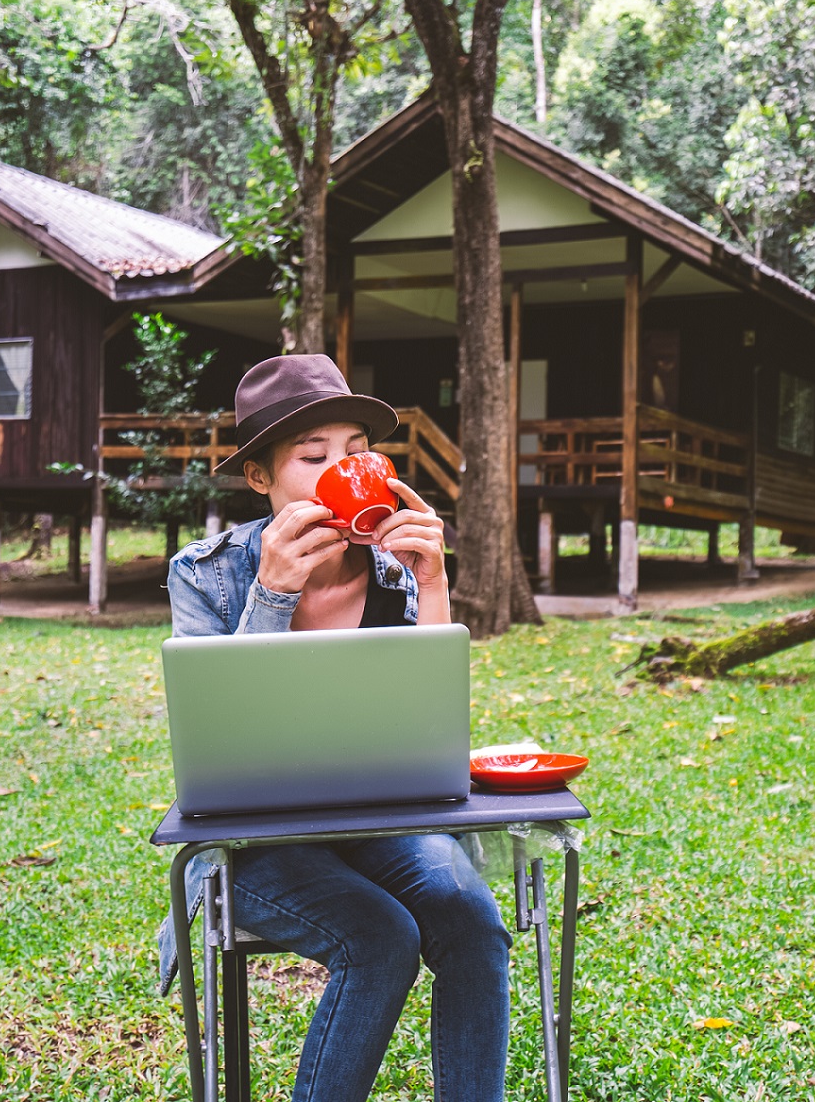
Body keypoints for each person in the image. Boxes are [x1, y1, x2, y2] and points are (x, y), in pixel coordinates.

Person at [160, 354, 511, 1102]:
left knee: (473, 920)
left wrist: (434, 582)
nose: (339, 469)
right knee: (381, 938)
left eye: (354, 451)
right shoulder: (206, 573)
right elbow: (227, 733)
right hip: (253, 841)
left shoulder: (389, 570)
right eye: (312, 456)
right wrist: (274, 594)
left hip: (375, 817)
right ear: (260, 479)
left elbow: (429, 729)